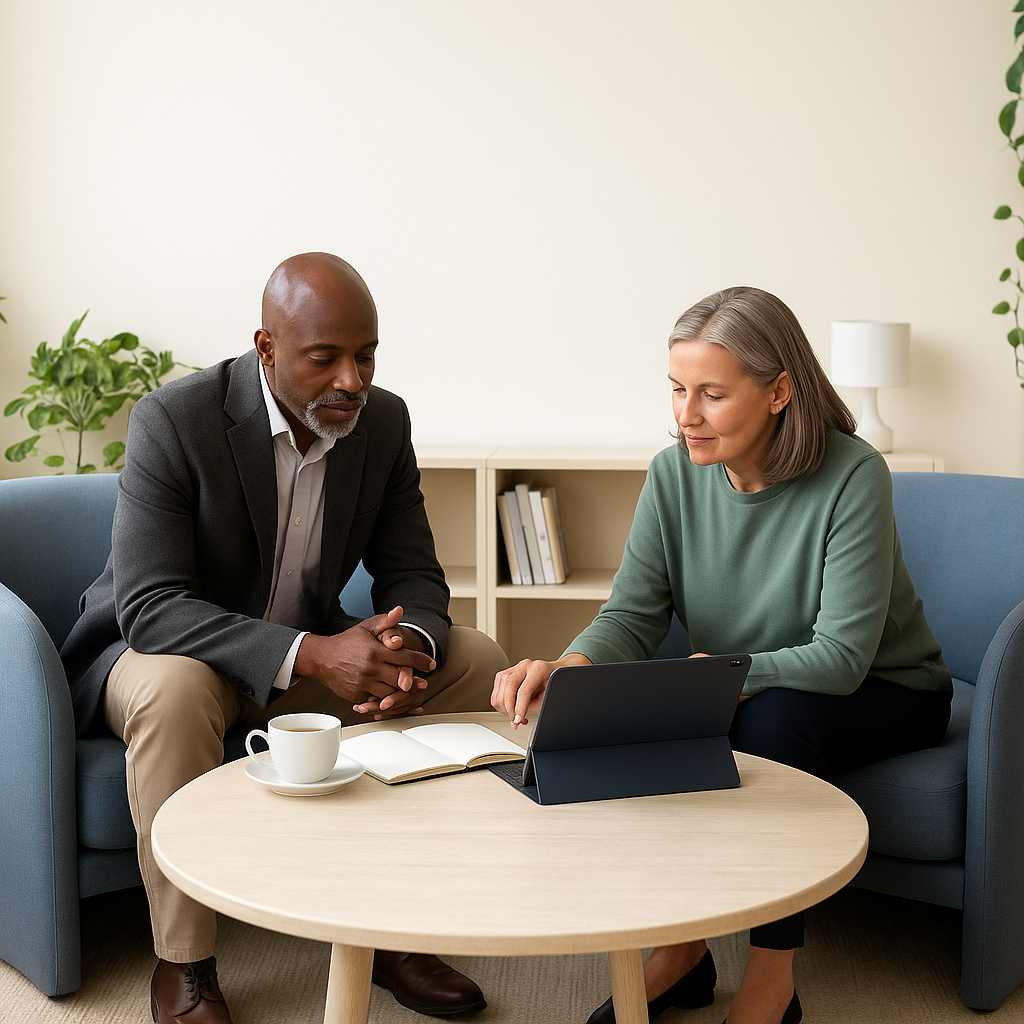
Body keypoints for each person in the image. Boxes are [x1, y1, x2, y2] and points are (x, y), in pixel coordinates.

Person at [61, 252, 508, 1024]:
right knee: (174, 690)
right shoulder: (174, 420)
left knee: (477, 660)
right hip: (163, 655)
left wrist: (410, 657)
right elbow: (151, 603)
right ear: (266, 348)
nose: (352, 380)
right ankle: (184, 966)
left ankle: (395, 928)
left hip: (297, 655)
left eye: (365, 355)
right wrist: (311, 654)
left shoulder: (383, 421)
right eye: (324, 357)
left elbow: (415, 579)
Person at [491, 286, 952, 1024]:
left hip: (886, 689)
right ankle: (684, 949)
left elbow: (841, 657)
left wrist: (718, 680)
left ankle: (774, 978)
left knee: (768, 727)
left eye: (711, 394)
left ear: (779, 392)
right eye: (676, 389)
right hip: (749, 682)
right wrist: (569, 669)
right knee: (661, 719)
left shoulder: (853, 474)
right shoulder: (675, 473)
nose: (686, 414)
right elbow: (633, 614)